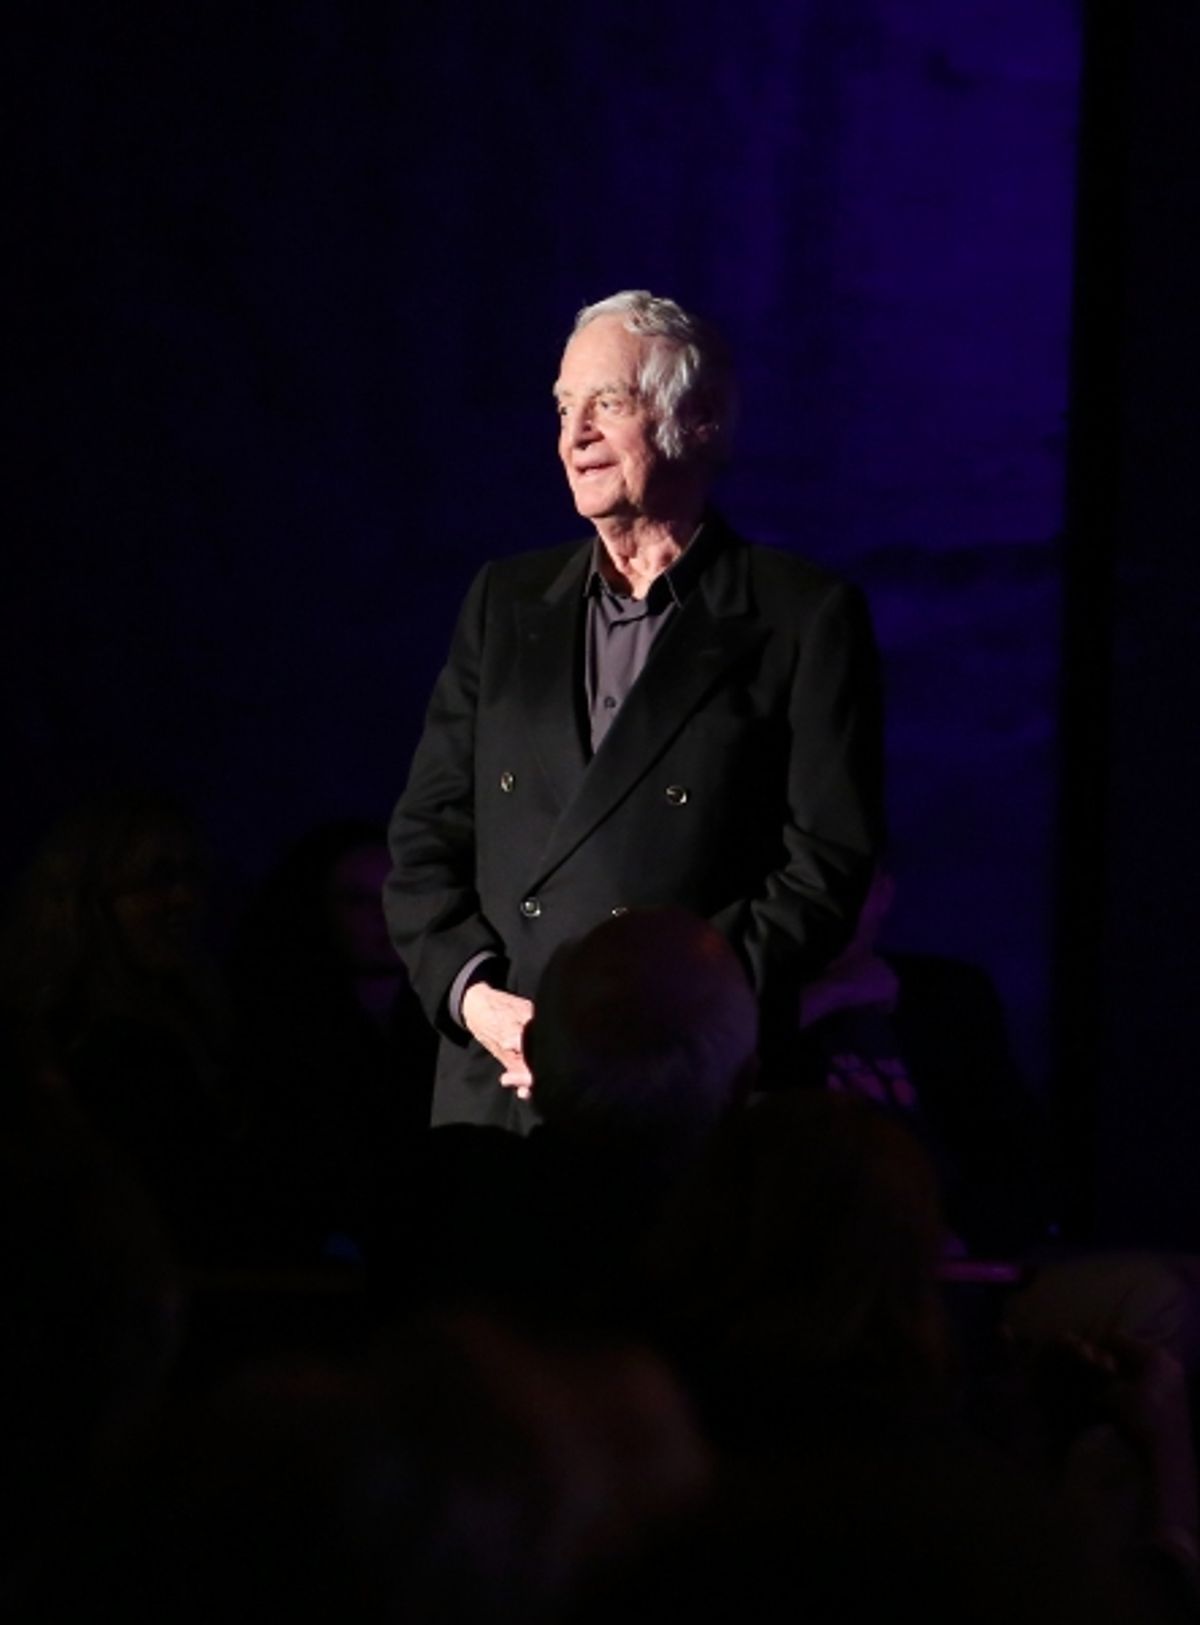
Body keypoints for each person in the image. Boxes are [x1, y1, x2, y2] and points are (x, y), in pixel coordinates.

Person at [385, 290, 884, 1129]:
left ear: (699, 421)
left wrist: (651, 1011)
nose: (573, 434)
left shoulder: (800, 616)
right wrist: (477, 1001)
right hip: (503, 1089)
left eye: (607, 403)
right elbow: (424, 840)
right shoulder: (506, 603)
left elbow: (823, 870)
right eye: (563, 406)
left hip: (686, 1085)